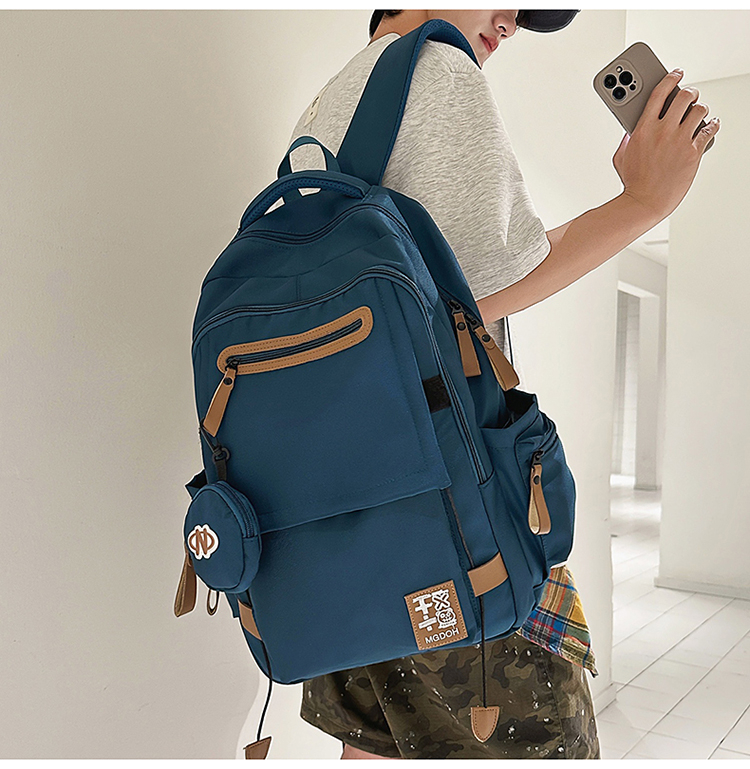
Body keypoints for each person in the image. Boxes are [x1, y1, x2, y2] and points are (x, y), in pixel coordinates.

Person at [283, 10, 720, 760]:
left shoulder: (327, 107)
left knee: (373, 747)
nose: (513, 21)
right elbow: (484, 292)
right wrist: (645, 202)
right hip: (452, 525)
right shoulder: (439, 69)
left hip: (338, 527)